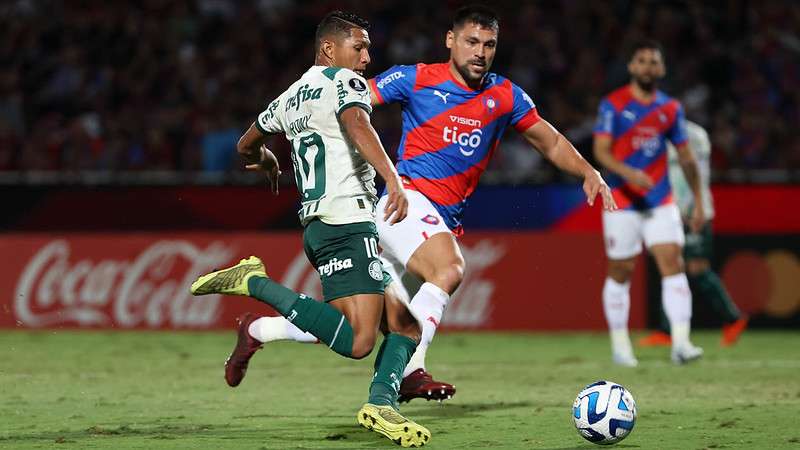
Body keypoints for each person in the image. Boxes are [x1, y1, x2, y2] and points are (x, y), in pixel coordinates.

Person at [229, 5, 616, 404]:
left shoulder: (504, 95)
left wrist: (588, 171)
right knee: (449, 268)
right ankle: (411, 372)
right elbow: (352, 104)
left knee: (375, 323)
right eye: (471, 42)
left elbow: (548, 139)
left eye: (489, 44)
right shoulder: (413, 78)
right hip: (404, 203)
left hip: (436, 218)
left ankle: (258, 331)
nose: (479, 52)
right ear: (451, 41)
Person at [189, 11, 431, 447]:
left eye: (367, 48)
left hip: (321, 225)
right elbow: (357, 124)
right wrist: (392, 178)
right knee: (359, 341)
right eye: (359, 47)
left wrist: (265, 158)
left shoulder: (290, 96)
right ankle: (256, 282)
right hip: (347, 222)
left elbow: (245, 144)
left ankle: (381, 403)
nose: (366, 57)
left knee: (405, 325)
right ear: (329, 49)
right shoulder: (344, 82)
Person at [593, 39, 705, 367]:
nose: (647, 67)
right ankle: (620, 346)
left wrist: (699, 201)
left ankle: (682, 343)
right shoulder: (612, 105)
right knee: (621, 270)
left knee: (673, 263)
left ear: (662, 69)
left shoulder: (670, 109)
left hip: (660, 200)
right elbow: (601, 151)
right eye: (641, 60)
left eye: (653, 62)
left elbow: (685, 156)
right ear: (631, 67)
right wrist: (629, 173)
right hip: (622, 200)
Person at [638, 120, 748, 347]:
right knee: (671, 265)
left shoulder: (691, 135)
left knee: (696, 267)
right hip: (673, 210)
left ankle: (732, 318)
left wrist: (692, 208)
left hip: (692, 213)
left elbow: (695, 171)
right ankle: (667, 330)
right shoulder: (664, 135)